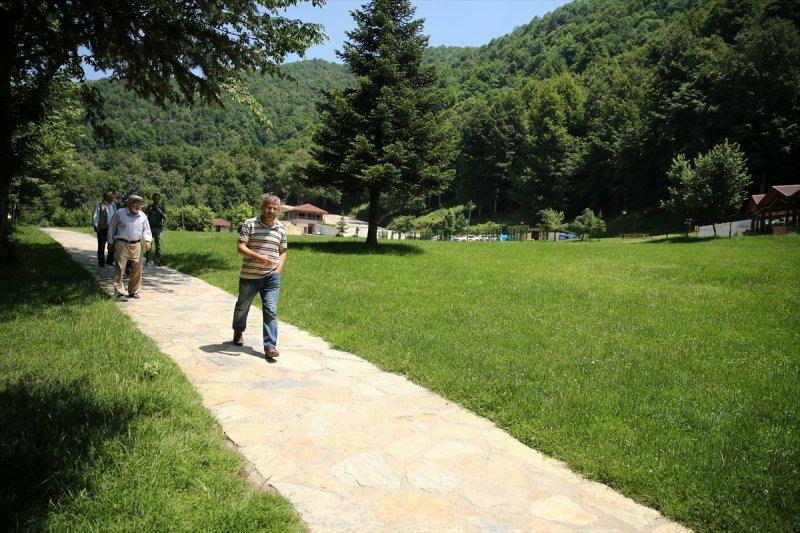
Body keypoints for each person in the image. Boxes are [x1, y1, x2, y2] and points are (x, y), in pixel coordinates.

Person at [232, 194, 287, 359]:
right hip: (250, 276)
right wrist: (259, 258)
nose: (271, 211)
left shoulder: (282, 228)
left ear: (279, 210)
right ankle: (238, 330)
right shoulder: (250, 224)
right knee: (242, 307)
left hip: (271, 277)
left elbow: (283, 252)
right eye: (268, 207)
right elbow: (241, 247)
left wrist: (278, 270)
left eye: (275, 208)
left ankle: (270, 346)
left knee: (271, 309)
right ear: (262, 207)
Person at [107, 194, 152, 300]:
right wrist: (110, 243)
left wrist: (148, 241)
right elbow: (111, 228)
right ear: (128, 203)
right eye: (134, 202)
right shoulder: (120, 213)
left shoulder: (142, 216)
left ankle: (133, 290)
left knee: (137, 267)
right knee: (120, 267)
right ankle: (119, 292)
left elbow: (146, 230)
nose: (136, 205)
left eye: (139, 203)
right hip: (121, 243)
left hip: (136, 244)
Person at [91, 191, 117, 267]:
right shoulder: (99, 204)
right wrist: (95, 225)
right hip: (102, 227)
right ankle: (101, 261)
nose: (113, 197)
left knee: (112, 244)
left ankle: (110, 260)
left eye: (112, 196)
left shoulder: (113, 205)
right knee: (101, 245)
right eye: (111, 196)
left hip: (112, 228)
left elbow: (116, 215)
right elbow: (96, 215)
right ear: (106, 197)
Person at [145, 193, 166, 266]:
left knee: (158, 245)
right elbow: (144, 216)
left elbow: (164, 218)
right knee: (148, 244)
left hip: (158, 228)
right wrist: (148, 211)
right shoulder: (149, 207)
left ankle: (157, 260)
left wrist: (159, 211)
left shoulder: (162, 207)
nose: (156, 199)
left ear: (159, 199)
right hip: (149, 228)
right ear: (152, 199)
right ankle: (148, 260)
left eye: (157, 198)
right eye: (154, 198)